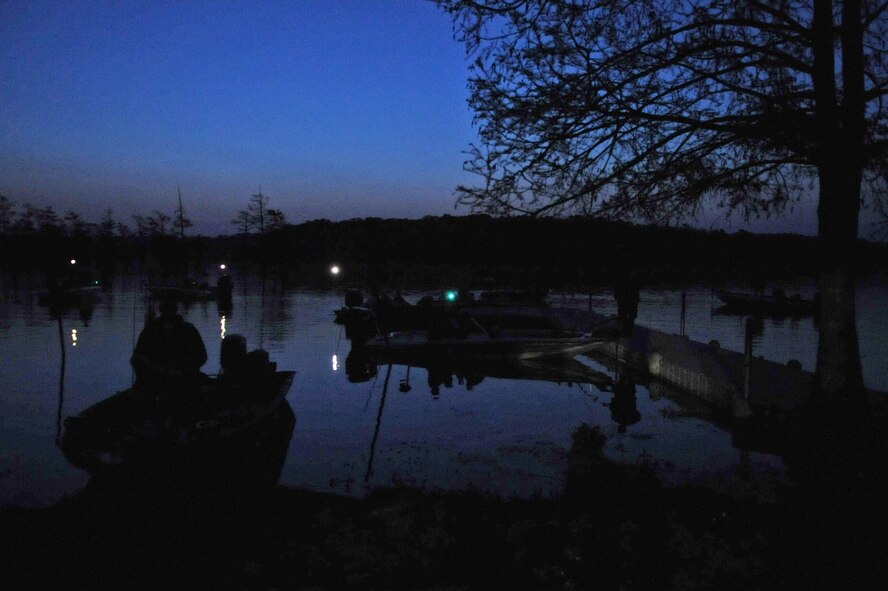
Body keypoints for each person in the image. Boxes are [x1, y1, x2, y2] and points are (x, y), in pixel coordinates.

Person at [131, 296, 208, 393]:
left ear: (160, 309)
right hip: (157, 383)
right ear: (176, 309)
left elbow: (201, 357)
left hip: (183, 382)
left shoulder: (149, 331)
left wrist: (181, 372)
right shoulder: (189, 330)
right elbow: (137, 359)